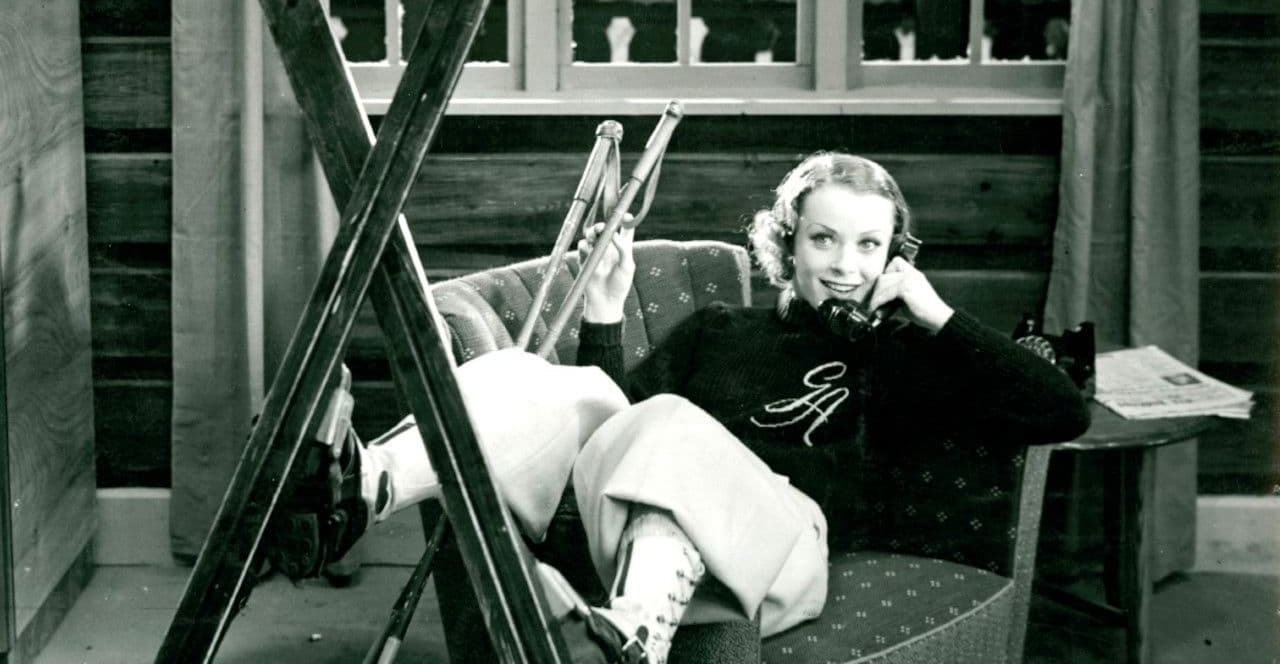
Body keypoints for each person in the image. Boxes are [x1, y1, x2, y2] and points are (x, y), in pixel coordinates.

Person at [264, 151, 1090, 664]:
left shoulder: (901, 356)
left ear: (894, 257)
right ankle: (358, 490)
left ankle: (625, 633)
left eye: (869, 245)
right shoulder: (720, 330)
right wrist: (604, 314)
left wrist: (936, 315)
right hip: (650, 538)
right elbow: (607, 429)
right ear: (787, 242)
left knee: (667, 422)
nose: (845, 264)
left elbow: (1063, 412)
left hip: (783, 551)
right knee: (544, 378)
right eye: (824, 239)